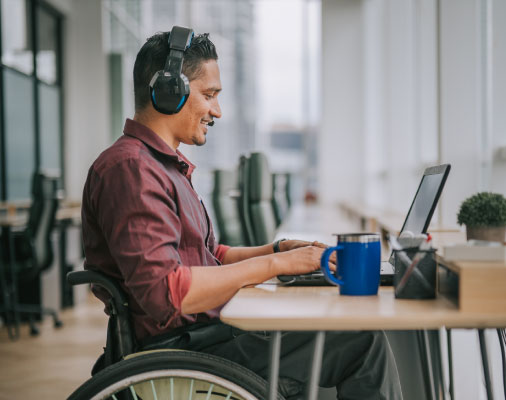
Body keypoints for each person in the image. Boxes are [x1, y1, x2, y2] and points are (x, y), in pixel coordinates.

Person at [81, 28, 402, 399]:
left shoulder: (162, 167)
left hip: (207, 338)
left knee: (346, 335)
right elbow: (167, 295)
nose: (216, 111)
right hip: (184, 353)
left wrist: (278, 252)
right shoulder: (131, 169)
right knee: (360, 343)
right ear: (169, 92)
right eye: (209, 95)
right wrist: (275, 268)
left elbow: (208, 256)